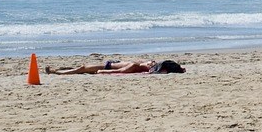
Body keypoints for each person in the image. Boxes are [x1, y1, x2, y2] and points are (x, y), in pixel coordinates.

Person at [45, 59, 185, 75]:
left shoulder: (135, 66)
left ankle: (58, 73)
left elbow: (119, 70)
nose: (151, 62)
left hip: (106, 66)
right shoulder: (141, 64)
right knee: (82, 68)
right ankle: (59, 70)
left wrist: (102, 72)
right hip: (110, 63)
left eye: (152, 64)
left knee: (82, 68)